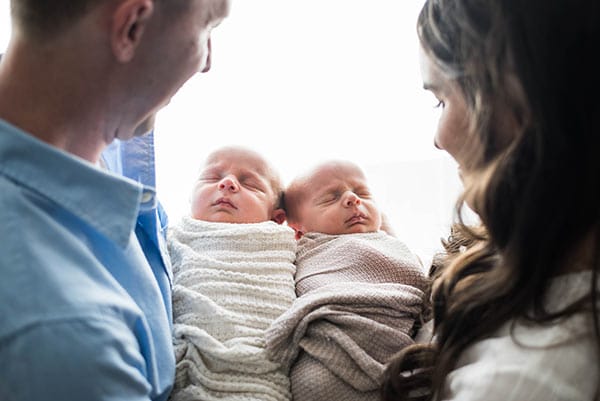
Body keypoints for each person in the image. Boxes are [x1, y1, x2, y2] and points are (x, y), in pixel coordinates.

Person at [0, 0, 229, 400]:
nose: (207, 62)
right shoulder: (68, 340)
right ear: (132, 28)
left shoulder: (100, 129)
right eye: (207, 28)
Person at [381, 1, 600, 400]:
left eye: (442, 100)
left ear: (519, 98)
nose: (438, 138)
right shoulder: (532, 263)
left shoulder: (522, 381)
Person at [265, 160, 428, 401]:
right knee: (315, 383)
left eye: (362, 193)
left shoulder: (389, 243)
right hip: (330, 343)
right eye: (331, 198)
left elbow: (413, 274)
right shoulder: (301, 249)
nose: (353, 199)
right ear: (299, 229)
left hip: (395, 336)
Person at [167, 146, 297, 401]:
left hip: (259, 369)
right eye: (212, 178)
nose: (227, 184)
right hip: (189, 362)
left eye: (250, 184)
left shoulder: (285, 242)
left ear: (277, 218)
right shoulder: (172, 236)